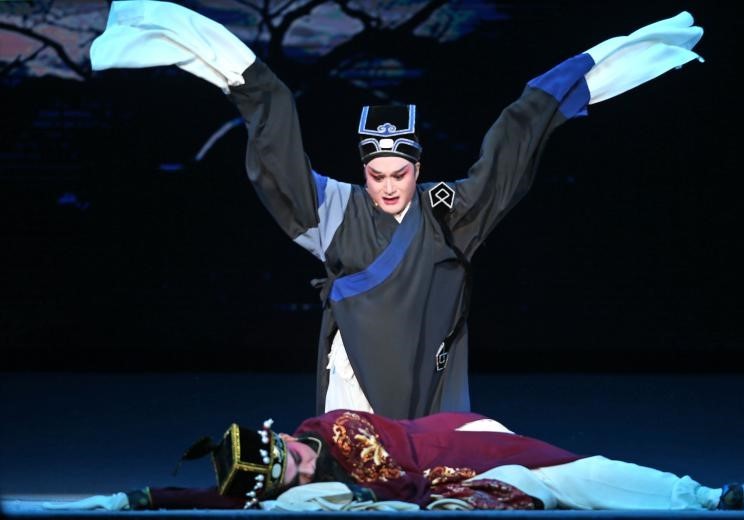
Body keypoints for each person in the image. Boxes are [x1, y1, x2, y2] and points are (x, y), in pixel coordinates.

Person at [89, 2, 706, 419]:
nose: (388, 187)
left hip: (428, 389)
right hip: (352, 389)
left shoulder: (448, 212)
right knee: (349, 486)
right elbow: (276, 140)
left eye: (400, 174)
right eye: (377, 175)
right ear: (363, 172)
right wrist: (246, 82)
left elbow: (516, 137)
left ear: (418, 167)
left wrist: (575, 83)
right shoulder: (336, 209)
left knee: (460, 479)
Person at [42, 409, 744, 512]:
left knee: (583, 476)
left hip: (463, 449)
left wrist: (369, 498)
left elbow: (401, 481)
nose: (299, 462)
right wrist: (138, 499)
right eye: (288, 470)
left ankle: (701, 496)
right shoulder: (296, 487)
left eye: (291, 454)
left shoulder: (338, 431)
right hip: (456, 482)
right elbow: (223, 499)